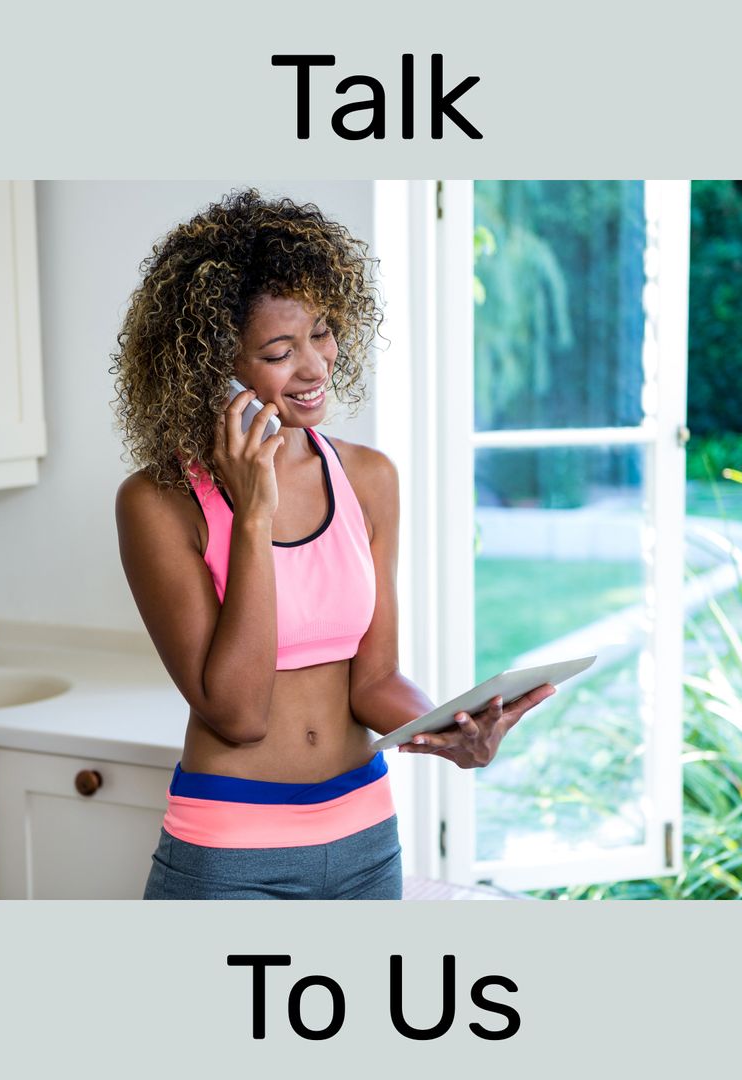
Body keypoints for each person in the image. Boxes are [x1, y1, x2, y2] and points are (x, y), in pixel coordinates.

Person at [111, 188, 555, 900]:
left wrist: (452, 728)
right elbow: (237, 713)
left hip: (365, 841)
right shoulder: (157, 502)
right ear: (211, 364)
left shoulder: (368, 477)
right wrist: (252, 515)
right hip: (233, 853)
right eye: (280, 352)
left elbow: (373, 680)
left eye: (322, 332)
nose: (317, 367)